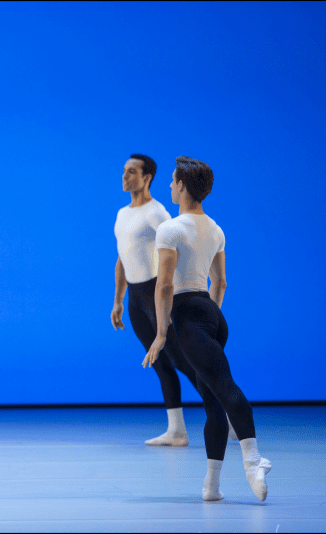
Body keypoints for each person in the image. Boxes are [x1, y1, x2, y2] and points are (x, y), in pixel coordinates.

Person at [144, 156, 270, 502]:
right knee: (213, 402)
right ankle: (211, 487)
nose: (169, 186)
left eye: (172, 181)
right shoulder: (215, 229)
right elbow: (222, 282)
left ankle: (253, 460)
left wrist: (161, 333)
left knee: (225, 390)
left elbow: (165, 286)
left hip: (187, 316)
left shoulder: (170, 229)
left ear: (182, 186)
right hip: (212, 315)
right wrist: (211, 315)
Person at [112, 154, 200, 446]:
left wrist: (176, 294)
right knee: (161, 364)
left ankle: (227, 415)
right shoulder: (123, 214)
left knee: (185, 362)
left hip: (156, 296)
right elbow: (122, 258)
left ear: (147, 177)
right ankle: (177, 431)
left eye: (131, 171)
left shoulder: (157, 213)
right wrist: (118, 300)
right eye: (124, 171)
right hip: (136, 300)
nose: (124, 176)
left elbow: (178, 250)